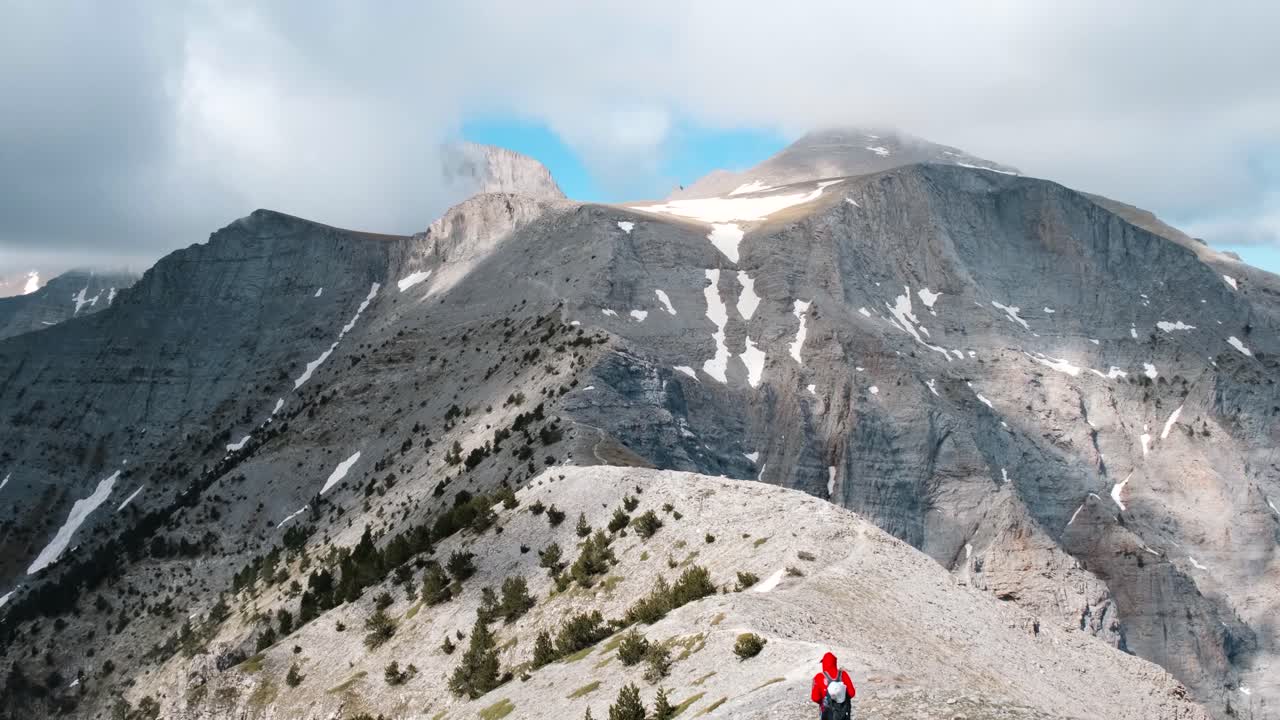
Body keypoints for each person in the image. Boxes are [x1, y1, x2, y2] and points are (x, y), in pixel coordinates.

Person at [810, 652, 855, 719]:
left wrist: (824, 701)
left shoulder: (819, 677)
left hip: (827, 714)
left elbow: (815, 698)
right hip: (843, 713)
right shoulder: (843, 674)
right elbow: (852, 693)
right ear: (835, 662)